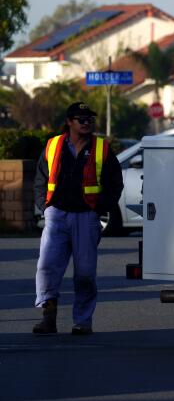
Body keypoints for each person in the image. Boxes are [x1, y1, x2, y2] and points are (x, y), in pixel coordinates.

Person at [32, 102, 123, 335]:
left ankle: (82, 321)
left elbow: (115, 183)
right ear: (69, 122)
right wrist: (46, 207)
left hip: (86, 217)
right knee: (47, 268)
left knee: (84, 273)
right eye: (81, 119)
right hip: (57, 216)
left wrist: (99, 209)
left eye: (89, 119)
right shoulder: (54, 145)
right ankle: (48, 317)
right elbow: (41, 178)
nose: (87, 123)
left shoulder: (102, 148)